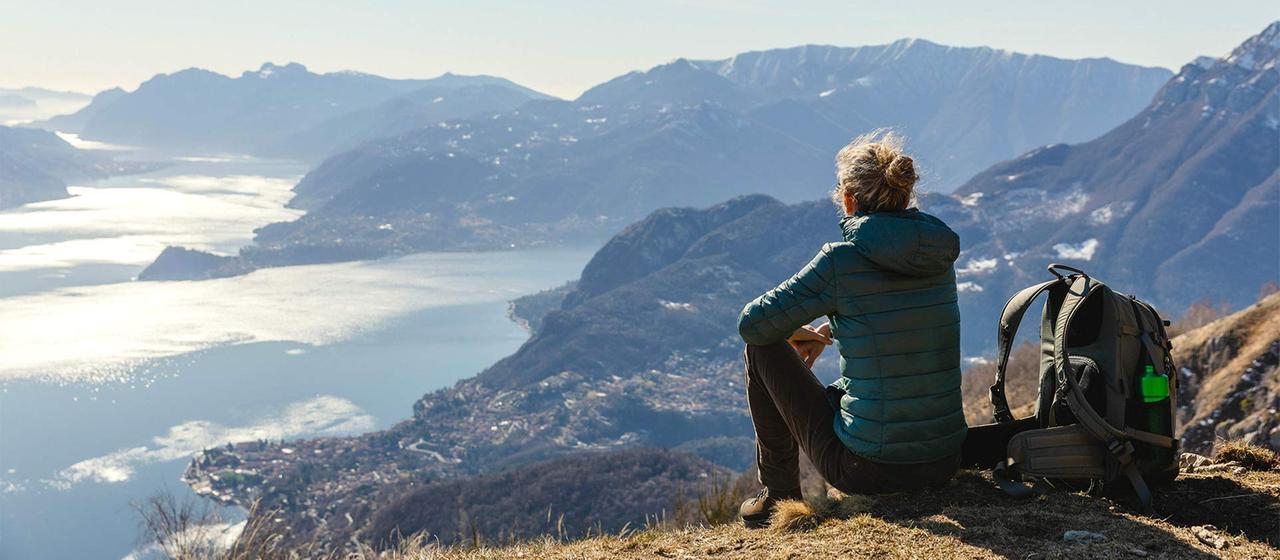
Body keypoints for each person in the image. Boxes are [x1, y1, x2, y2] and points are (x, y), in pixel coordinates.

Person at [735, 129, 966, 528]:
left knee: (762, 348)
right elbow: (899, 321)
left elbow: (753, 325)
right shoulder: (937, 255)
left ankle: (779, 495)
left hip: (869, 468)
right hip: (944, 458)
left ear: (848, 199)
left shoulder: (840, 262)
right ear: (905, 195)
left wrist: (795, 330)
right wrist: (834, 326)